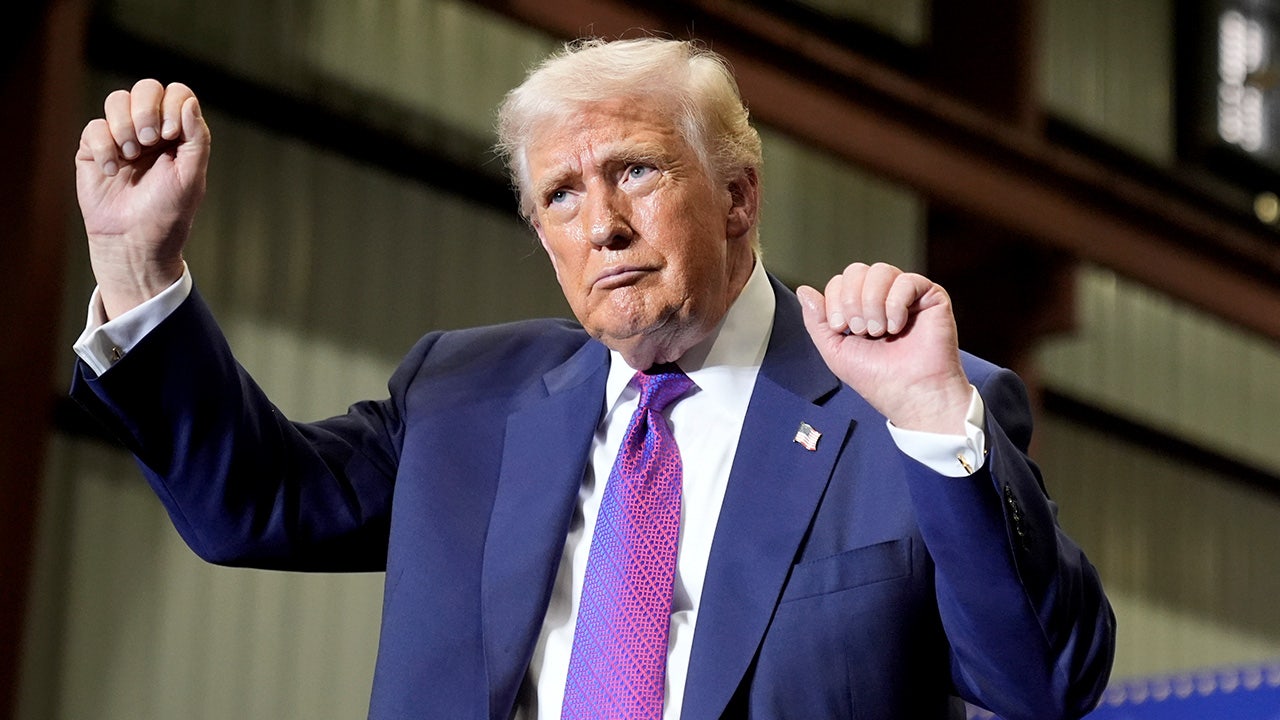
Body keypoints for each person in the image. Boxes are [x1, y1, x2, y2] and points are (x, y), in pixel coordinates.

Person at [70, 37, 1114, 720]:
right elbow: (252, 506)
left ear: (739, 196)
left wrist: (932, 417)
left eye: (636, 171)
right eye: (560, 195)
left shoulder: (898, 410)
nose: (601, 223)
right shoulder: (461, 396)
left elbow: (1038, 684)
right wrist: (137, 267)